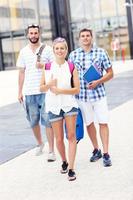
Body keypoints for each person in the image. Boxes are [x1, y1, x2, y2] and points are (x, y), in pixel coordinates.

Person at [69, 28, 113, 167]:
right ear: (79, 39)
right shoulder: (73, 55)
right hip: (81, 97)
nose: (85, 38)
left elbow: (110, 73)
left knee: (103, 122)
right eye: (83, 36)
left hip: (99, 95)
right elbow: (69, 75)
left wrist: (98, 81)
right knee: (89, 124)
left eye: (88, 35)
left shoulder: (101, 53)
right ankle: (96, 149)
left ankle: (106, 153)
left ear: (92, 37)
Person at [40, 37, 80, 181]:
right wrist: (50, 84)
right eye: (57, 48)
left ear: (66, 50)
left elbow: (77, 90)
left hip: (69, 104)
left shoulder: (71, 66)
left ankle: (71, 168)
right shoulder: (47, 67)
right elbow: (41, 87)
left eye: (62, 48)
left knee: (71, 136)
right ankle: (64, 161)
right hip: (53, 105)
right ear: (53, 50)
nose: (59, 51)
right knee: (58, 139)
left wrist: (60, 90)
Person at [17, 24, 55, 161]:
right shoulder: (23, 52)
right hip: (29, 92)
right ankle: (40, 143)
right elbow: (21, 72)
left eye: (35, 33)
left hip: (45, 91)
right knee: (33, 121)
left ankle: (51, 150)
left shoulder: (48, 49)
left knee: (48, 121)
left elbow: (56, 66)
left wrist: (44, 65)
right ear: (27, 35)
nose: (33, 35)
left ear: (39, 34)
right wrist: (19, 91)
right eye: (31, 33)